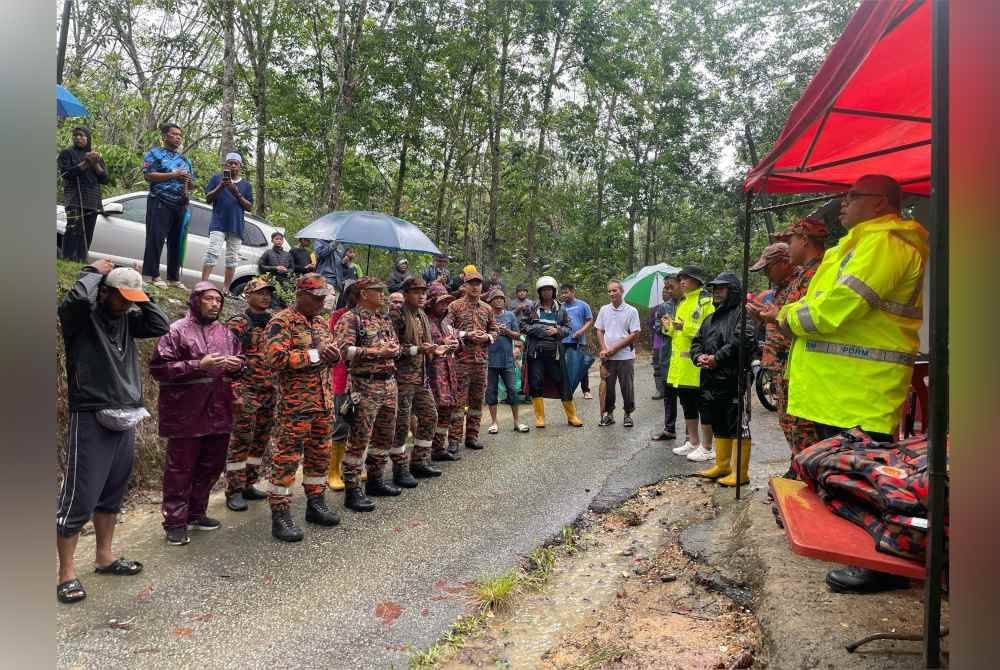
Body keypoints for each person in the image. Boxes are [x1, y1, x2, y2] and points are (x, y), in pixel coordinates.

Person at [774, 174, 927, 595]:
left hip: (861, 390)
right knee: (840, 478)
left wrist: (784, 317)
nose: (843, 203)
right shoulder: (856, 243)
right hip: (835, 389)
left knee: (871, 481)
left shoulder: (888, 243)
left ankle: (884, 565)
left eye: (853, 196)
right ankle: (852, 549)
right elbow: (817, 302)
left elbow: (837, 308)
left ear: (881, 204)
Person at [57, 261, 169, 604]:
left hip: (126, 412)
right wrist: (92, 270)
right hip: (91, 411)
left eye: (131, 300)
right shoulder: (81, 319)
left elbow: (159, 323)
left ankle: (104, 557)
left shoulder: (128, 319)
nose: (127, 305)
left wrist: (139, 291)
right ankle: (65, 573)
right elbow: (74, 301)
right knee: (80, 495)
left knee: (111, 491)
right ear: (103, 293)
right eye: (121, 298)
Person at [150, 282, 242, 546]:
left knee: (211, 465)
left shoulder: (226, 334)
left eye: (218, 300)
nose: (215, 304)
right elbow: (159, 369)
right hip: (185, 412)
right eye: (209, 299)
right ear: (195, 300)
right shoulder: (176, 331)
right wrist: (196, 365)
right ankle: (175, 521)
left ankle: (196, 512)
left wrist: (238, 366)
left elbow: (240, 362)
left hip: (219, 409)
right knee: (180, 469)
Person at [263, 273, 342, 541]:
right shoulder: (281, 321)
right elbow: (275, 358)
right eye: (316, 298)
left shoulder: (320, 323)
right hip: (295, 405)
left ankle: (316, 504)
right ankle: (280, 514)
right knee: (286, 460)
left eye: (324, 298)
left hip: (323, 402)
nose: (321, 303)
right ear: (301, 295)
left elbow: (329, 353)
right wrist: (316, 355)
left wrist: (333, 356)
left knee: (320, 456)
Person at [747, 231, 825, 476]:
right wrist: (760, 318)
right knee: (787, 421)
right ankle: (797, 463)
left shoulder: (804, 280)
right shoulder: (780, 289)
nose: (766, 274)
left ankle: (805, 469)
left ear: (783, 262)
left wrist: (774, 315)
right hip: (779, 365)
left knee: (800, 424)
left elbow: (802, 320)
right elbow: (775, 322)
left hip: (796, 363)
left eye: (768, 268)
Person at [333, 277, 402, 511]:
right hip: (365, 386)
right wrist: (376, 351)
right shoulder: (350, 318)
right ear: (363, 293)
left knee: (384, 436)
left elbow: (394, 344)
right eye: (377, 291)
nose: (382, 295)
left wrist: (394, 350)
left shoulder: (383, 319)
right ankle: (352, 489)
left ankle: (376, 479)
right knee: (359, 439)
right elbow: (343, 351)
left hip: (388, 384)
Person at [689, 272, 756, 486]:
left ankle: (740, 472)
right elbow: (696, 341)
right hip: (710, 379)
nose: (717, 292)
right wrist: (698, 356)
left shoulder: (743, 314)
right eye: (715, 289)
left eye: (722, 288)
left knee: (737, 423)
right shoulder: (710, 317)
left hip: (733, 378)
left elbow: (743, 340)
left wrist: (717, 358)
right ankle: (722, 464)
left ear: (733, 291)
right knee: (717, 420)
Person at [223, 277, 277, 511]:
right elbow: (226, 359)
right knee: (241, 440)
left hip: (270, 390)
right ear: (248, 295)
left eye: (268, 293)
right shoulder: (238, 323)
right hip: (246, 389)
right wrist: (233, 391)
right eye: (260, 293)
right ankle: (233, 490)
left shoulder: (275, 321)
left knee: (260, 439)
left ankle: (248, 483)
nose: (265, 297)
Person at [386, 276, 444, 487]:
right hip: (401, 378)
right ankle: (399, 468)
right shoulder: (396, 315)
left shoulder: (421, 315)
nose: (421, 296)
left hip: (420, 376)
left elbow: (426, 345)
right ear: (406, 293)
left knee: (429, 416)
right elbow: (391, 349)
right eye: (416, 292)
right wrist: (418, 349)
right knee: (401, 425)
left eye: (424, 292)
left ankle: (419, 461)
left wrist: (438, 348)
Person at [665, 266, 715, 460]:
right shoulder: (683, 302)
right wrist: (669, 327)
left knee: (703, 406)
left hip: (697, 365)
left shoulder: (705, 301)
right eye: (681, 279)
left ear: (697, 281)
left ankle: (707, 446)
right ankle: (693, 442)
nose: (682, 282)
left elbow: (709, 331)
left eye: (686, 279)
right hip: (680, 367)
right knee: (687, 405)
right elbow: (677, 334)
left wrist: (684, 326)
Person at [445, 270, 498, 449]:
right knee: (458, 402)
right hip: (461, 361)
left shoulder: (487, 308)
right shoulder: (455, 306)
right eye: (471, 283)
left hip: (481, 361)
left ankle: (472, 437)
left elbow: (494, 330)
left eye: (478, 283)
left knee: (477, 401)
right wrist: (466, 334)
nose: (475, 287)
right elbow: (445, 326)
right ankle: (454, 440)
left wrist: (487, 338)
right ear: (465, 286)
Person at [523, 276, 584, 429]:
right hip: (536, 353)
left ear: (554, 291)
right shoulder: (532, 308)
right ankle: (540, 418)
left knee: (563, 382)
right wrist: (538, 330)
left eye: (549, 289)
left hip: (555, 353)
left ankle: (572, 416)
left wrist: (558, 330)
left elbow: (568, 328)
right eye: (543, 290)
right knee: (535, 382)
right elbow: (522, 325)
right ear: (539, 292)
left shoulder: (561, 309)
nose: (546, 292)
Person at [142, 123, 193, 289]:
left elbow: (191, 184)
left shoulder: (184, 160)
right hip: (160, 201)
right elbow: (148, 175)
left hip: (180, 204)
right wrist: (174, 174)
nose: (178, 137)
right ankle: (152, 275)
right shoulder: (154, 154)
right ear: (164, 136)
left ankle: (173, 278)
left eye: (180, 135)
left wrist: (187, 184)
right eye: (174, 134)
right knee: (155, 238)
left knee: (176, 242)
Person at [201, 153, 253, 294]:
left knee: (232, 259)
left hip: (236, 226)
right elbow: (208, 199)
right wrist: (221, 186)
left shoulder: (246, 185)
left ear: (240, 166)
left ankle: (225, 289)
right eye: (230, 163)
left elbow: (249, 206)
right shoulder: (216, 179)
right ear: (225, 165)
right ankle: (203, 284)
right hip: (218, 223)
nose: (233, 166)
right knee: (212, 253)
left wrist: (236, 192)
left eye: (236, 163)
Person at [326, 280, 360, 491]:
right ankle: (333, 470)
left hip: (362, 378)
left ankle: (353, 464)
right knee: (342, 421)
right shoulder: (339, 316)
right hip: (342, 375)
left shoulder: (371, 318)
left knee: (359, 422)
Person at [594, 279, 641, 428]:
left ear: (621, 291)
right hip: (608, 357)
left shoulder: (631, 311)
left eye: (615, 290)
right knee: (608, 387)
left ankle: (628, 414)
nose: (612, 293)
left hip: (625, 356)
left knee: (626, 386)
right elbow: (599, 330)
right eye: (609, 291)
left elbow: (634, 333)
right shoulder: (604, 310)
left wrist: (614, 349)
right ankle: (609, 415)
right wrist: (603, 349)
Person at [425, 283, 464, 461]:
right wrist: (441, 344)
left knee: (447, 410)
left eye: (447, 302)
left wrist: (456, 343)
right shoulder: (425, 321)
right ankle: (426, 450)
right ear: (432, 302)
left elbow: (458, 343)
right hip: (432, 374)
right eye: (441, 302)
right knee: (431, 412)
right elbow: (423, 347)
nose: (444, 306)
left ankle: (439, 448)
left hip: (449, 373)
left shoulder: (446, 323)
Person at [59, 126, 109, 262]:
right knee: (73, 228)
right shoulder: (67, 153)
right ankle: (67, 258)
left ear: (88, 138)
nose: (78, 138)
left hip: (92, 200)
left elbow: (105, 179)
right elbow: (67, 173)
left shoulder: (96, 156)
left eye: (81, 135)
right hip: (74, 197)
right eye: (75, 135)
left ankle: (80, 260)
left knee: (87, 233)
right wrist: (86, 163)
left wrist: (95, 163)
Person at [485, 289, 529, 434]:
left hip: (507, 360)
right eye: (495, 298)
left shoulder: (510, 315)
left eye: (501, 298)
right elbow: (481, 334)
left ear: (504, 301)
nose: (499, 300)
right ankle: (494, 423)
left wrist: (507, 332)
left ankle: (517, 422)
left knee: (513, 391)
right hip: (490, 361)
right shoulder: (486, 315)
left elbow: (518, 335)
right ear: (490, 301)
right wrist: (493, 332)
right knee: (491, 392)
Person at [652, 276, 681, 441]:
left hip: (684, 358)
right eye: (666, 288)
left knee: (686, 396)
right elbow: (656, 326)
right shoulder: (664, 307)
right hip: (667, 355)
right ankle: (669, 428)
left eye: (671, 287)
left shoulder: (688, 304)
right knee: (668, 394)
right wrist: (663, 326)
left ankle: (690, 436)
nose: (669, 291)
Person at [559, 283, 594, 399]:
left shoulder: (583, 305)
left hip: (579, 340)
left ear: (573, 292)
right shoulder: (560, 306)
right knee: (565, 366)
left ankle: (586, 390)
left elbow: (589, 320)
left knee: (581, 365)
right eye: (562, 293)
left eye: (566, 292)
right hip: (563, 340)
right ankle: (567, 390)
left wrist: (581, 331)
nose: (564, 295)